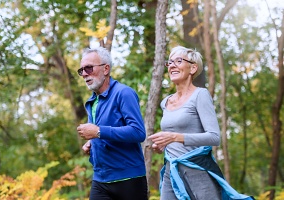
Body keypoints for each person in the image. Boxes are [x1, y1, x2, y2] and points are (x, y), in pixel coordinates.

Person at [148, 46, 254, 200]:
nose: (172, 65)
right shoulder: (166, 102)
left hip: (197, 169)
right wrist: (162, 145)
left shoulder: (200, 95)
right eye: (169, 62)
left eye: (178, 61)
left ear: (193, 68)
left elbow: (214, 137)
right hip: (172, 172)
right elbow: (172, 136)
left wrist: (175, 137)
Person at [76, 47, 148, 200]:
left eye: (89, 68)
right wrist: (92, 143)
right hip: (100, 178)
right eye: (81, 70)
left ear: (106, 69)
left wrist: (98, 132)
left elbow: (138, 132)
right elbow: (100, 132)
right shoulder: (91, 101)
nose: (84, 74)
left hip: (129, 179)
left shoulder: (124, 93)